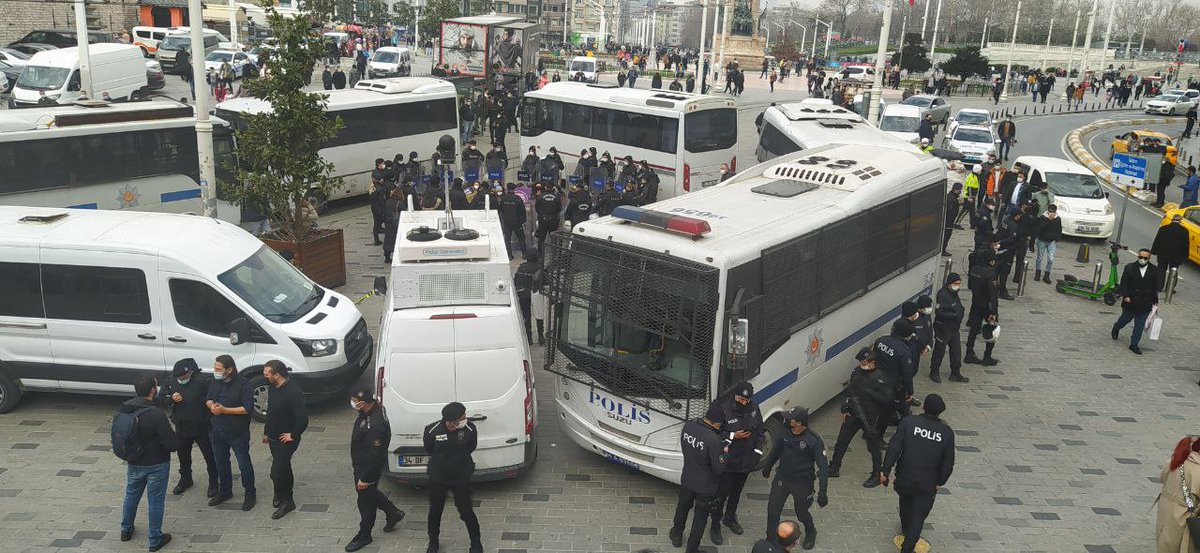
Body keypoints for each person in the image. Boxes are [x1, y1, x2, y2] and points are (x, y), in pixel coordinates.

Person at [880, 394, 955, 553]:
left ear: (923, 407)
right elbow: (948, 464)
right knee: (918, 518)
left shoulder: (909, 422)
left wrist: (885, 470)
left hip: (905, 478)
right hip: (927, 484)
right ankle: (907, 546)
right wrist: (940, 481)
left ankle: (906, 530)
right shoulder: (946, 433)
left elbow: (894, 447)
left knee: (905, 504)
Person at [118, 374, 179, 552]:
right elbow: (171, 443)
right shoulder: (155, 414)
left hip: (134, 462)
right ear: (153, 389)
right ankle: (154, 539)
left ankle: (126, 530)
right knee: (155, 502)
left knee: (131, 495)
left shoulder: (125, 408)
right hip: (156, 464)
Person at [345, 387, 405, 552]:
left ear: (363, 403)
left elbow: (374, 455)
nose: (353, 404)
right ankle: (393, 512)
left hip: (366, 468)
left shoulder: (375, 426)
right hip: (362, 463)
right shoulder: (373, 410)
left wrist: (365, 478)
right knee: (369, 493)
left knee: (365, 501)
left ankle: (365, 534)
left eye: (355, 402)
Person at [760, 407, 828, 550]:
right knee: (773, 511)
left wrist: (823, 492)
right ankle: (771, 540)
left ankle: (811, 531)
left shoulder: (813, 440)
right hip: (782, 478)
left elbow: (823, 467)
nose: (786, 419)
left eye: (790, 418)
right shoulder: (785, 433)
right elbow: (776, 451)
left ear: (798, 423)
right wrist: (768, 467)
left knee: (801, 513)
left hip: (802, 483)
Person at [829, 348, 893, 487]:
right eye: (860, 362)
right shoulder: (856, 372)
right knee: (842, 441)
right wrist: (844, 408)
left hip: (870, 417)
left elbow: (887, 399)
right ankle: (834, 467)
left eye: (864, 362)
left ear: (872, 362)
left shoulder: (882, 377)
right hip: (853, 414)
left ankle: (876, 474)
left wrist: (870, 393)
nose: (861, 364)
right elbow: (848, 392)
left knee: (873, 447)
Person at [424, 402, 483, 553]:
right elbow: (430, 449)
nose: (465, 419)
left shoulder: (470, 429)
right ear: (450, 421)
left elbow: (471, 447)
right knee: (435, 511)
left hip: (460, 477)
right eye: (462, 418)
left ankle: (476, 543)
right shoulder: (432, 431)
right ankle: (433, 542)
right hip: (438, 478)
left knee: (466, 511)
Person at [709, 383, 763, 543]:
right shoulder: (723, 408)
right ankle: (715, 525)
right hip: (728, 463)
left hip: (746, 462)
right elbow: (713, 434)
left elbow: (760, 432)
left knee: (736, 494)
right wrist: (732, 436)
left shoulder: (754, 409)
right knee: (721, 495)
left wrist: (757, 454)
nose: (744, 402)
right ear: (735, 396)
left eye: (747, 399)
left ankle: (730, 518)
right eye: (741, 398)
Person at [670, 403, 727, 552]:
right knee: (700, 519)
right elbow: (719, 469)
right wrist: (725, 452)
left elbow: (684, 448)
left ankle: (676, 535)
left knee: (682, 507)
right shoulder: (714, 439)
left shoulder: (688, 426)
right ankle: (692, 549)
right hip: (706, 486)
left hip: (688, 479)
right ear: (717, 423)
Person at [157, 358, 216, 498]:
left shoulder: (203, 381)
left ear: (190, 372)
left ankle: (214, 481)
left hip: (202, 425)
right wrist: (171, 398)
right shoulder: (172, 381)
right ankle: (185, 479)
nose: (180, 379)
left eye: (183, 377)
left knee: (209, 455)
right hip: (182, 425)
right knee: (183, 455)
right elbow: (161, 398)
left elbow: (214, 398)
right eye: (178, 377)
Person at [205, 354, 257, 511]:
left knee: (243, 463)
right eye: (215, 368)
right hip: (217, 429)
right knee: (220, 461)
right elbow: (208, 399)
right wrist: (211, 407)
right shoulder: (215, 381)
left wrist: (225, 410)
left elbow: (247, 408)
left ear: (229, 369)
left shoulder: (244, 384)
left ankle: (250, 493)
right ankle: (225, 491)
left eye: (219, 369)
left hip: (237, 431)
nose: (215, 371)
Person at [261, 360, 307, 519]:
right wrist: (266, 432)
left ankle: (287, 500)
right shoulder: (273, 387)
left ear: (277, 375)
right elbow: (271, 412)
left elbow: (302, 418)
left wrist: (293, 435)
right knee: (284, 467)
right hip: (273, 437)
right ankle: (281, 494)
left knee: (277, 472)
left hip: (286, 440)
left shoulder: (293, 392)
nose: (265, 377)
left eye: (267, 374)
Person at [1156, 436, 1200, 553]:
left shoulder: (1173, 462)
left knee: (1165, 544)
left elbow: (1163, 479)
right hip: (1183, 515)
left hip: (1165, 510)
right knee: (1182, 546)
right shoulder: (1198, 470)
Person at [1112, 248, 1159, 355]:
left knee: (1140, 324)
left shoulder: (1154, 270)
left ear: (1149, 258)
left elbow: (1155, 287)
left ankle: (1134, 344)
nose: (1142, 259)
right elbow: (1124, 283)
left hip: (1145, 302)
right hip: (1130, 300)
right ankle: (1116, 327)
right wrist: (1126, 296)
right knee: (1125, 319)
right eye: (1140, 257)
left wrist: (1155, 301)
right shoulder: (1129, 267)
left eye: (1145, 258)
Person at [964, 246, 1000, 367]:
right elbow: (993, 294)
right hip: (987, 306)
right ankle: (987, 356)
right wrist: (994, 312)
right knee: (993, 329)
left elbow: (969, 285)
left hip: (976, 302)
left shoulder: (974, 269)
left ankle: (969, 353)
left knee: (974, 328)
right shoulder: (991, 273)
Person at [873, 319, 915, 418]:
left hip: (876, 379)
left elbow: (873, 359)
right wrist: (910, 391)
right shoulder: (904, 351)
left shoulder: (881, 340)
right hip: (893, 385)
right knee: (899, 404)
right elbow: (907, 375)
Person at [929, 273, 965, 383]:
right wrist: (954, 315)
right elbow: (939, 313)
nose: (957, 286)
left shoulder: (954, 293)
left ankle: (955, 373)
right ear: (949, 283)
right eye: (955, 284)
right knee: (940, 351)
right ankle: (934, 372)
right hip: (943, 328)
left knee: (956, 351)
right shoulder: (943, 294)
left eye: (959, 284)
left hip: (954, 329)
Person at [1152, 214, 1190, 291]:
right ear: (1180, 220)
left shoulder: (1163, 228)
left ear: (1172, 219)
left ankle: (1158, 286)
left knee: (1161, 270)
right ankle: (1169, 288)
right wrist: (1185, 255)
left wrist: (1154, 251)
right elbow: (1185, 244)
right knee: (1173, 271)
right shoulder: (1184, 231)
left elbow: (1157, 240)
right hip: (1176, 256)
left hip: (1163, 253)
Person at [513, 251, 541, 344]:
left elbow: (516, 280)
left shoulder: (522, 267)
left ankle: (529, 338)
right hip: (536, 294)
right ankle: (541, 337)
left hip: (523, 294)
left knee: (526, 316)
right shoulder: (540, 267)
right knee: (539, 315)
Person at [1033, 204, 1062, 284]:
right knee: (1039, 257)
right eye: (1050, 212)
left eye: (1053, 212)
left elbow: (1059, 230)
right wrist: (1048, 220)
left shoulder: (1058, 219)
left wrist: (1056, 238)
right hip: (1042, 240)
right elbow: (1040, 228)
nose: (1051, 213)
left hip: (1052, 241)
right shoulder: (1043, 218)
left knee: (1050, 259)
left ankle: (1047, 275)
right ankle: (1037, 273)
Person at [498, 183, 528, 259]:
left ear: (507, 189)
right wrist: (523, 220)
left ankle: (509, 255)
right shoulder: (518, 199)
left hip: (507, 222)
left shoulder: (503, 199)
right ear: (514, 189)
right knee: (521, 238)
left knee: (507, 238)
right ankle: (524, 254)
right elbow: (522, 211)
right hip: (517, 222)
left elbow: (501, 210)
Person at [534, 184, 561, 254]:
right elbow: (559, 208)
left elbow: (537, 208)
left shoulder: (540, 196)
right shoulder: (557, 197)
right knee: (553, 237)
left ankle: (540, 254)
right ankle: (554, 254)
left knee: (541, 237)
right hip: (553, 219)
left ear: (545, 187)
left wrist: (541, 215)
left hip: (543, 219)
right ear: (552, 188)